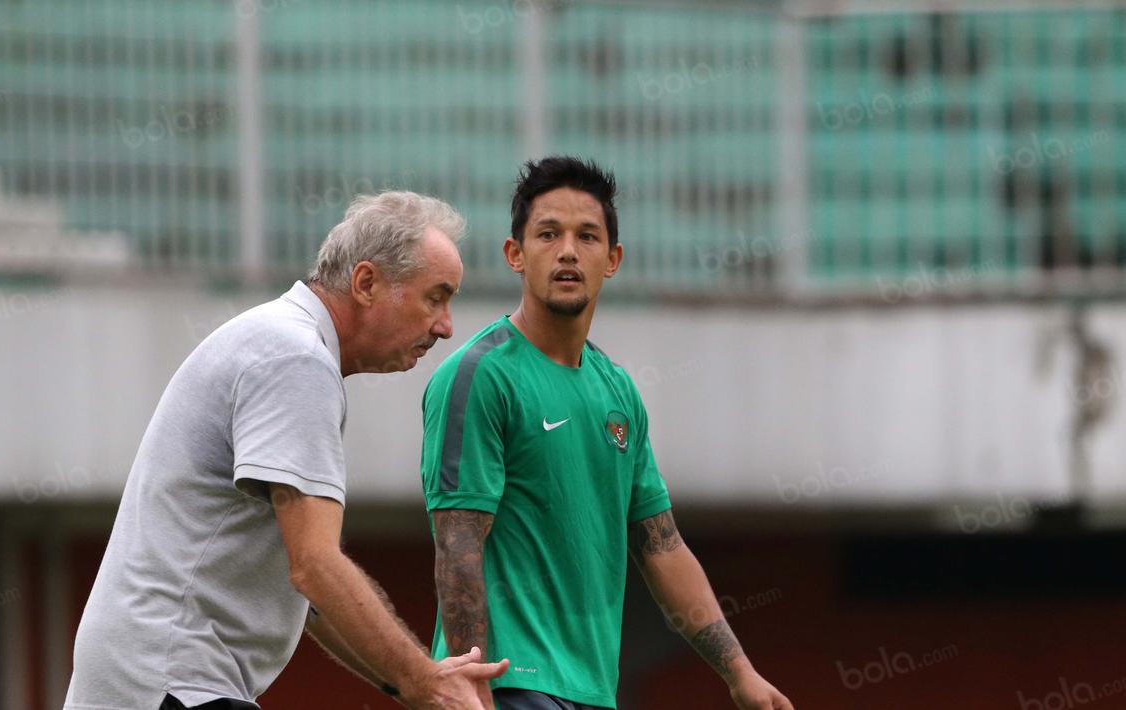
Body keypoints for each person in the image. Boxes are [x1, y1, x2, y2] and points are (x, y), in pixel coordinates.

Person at [66, 192, 508, 710]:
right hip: (172, 681)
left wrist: (415, 682)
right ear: (366, 283)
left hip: (156, 679)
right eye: (436, 297)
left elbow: (311, 594)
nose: (445, 325)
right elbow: (316, 568)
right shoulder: (296, 361)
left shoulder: (285, 345)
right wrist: (425, 683)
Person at [419, 159, 793, 710]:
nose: (568, 250)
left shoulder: (618, 391)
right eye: (548, 234)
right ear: (515, 255)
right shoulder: (479, 376)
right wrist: (474, 688)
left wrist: (740, 672)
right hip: (511, 685)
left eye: (586, 236)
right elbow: (457, 544)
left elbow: (663, 548)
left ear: (612, 259)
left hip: (592, 691)